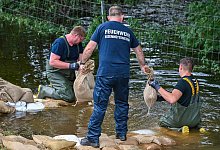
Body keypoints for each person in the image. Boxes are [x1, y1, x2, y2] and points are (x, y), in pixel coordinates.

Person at [79, 6, 150, 148]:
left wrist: (82, 63)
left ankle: (93, 138)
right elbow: (138, 50)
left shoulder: (102, 28)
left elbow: (89, 48)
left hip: (105, 73)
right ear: (122, 17)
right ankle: (121, 133)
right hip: (123, 74)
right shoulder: (128, 31)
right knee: (122, 104)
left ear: (108, 17)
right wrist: (143, 66)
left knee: (99, 106)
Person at [37, 26, 86, 103]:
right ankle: (44, 90)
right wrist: (71, 66)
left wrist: (82, 65)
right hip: (55, 71)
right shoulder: (60, 43)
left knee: (79, 92)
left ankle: (58, 86)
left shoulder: (78, 44)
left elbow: (80, 58)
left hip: (69, 72)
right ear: (76, 35)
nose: (80, 42)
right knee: (69, 97)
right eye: (80, 39)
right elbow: (52, 62)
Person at [149, 57, 201, 129]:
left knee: (161, 123)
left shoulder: (182, 82)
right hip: (194, 120)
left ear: (181, 67)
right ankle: (195, 129)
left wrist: (157, 86)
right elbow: (183, 97)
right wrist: (161, 98)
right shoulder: (195, 81)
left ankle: (177, 130)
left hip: (181, 121)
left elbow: (172, 99)